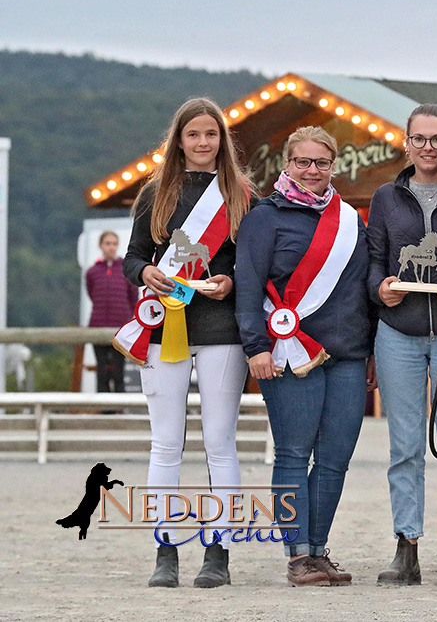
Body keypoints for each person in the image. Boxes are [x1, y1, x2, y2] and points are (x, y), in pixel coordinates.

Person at [117, 97, 253, 588]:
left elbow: (251, 265)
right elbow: (132, 258)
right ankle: (164, 549)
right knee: (165, 444)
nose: (202, 143)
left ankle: (219, 551)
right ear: (179, 139)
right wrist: (148, 272)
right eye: (193, 135)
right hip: (163, 331)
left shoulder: (240, 195)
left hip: (221, 333)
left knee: (220, 443)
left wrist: (232, 282)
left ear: (222, 141)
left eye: (210, 135)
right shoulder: (155, 193)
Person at [236, 126, 373, 587]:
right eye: (303, 162)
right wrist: (255, 347)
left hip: (348, 353)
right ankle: (297, 555)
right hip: (288, 353)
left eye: (321, 163)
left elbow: (361, 289)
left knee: (336, 457)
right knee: (294, 453)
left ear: (332, 166)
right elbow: (249, 288)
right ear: (286, 165)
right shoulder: (264, 217)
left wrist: (371, 350)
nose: (312, 171)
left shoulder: (350, 220)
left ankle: (318, 549)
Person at [366, 104, 437, 588]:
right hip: (399, 331)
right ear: (406, 142)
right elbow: (373, 260)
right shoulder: (385, 197)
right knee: (404, 446)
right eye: (420, 138)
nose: (429, 147)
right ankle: (406, 545)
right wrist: (381, 290)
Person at [87, 231, 137, 392]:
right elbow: (91, 293)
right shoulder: (92, 272)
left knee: (118, 370)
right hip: (98, 325)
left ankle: (119, 409)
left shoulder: (125, 269)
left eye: (114, 243)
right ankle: (104, 411)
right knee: (102, 371)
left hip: (120, 326)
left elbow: (133, 296)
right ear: (101, 246)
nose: (111, 247)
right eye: (107, 243)